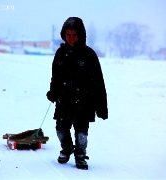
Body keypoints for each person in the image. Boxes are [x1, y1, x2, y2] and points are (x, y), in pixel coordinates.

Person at [46, 17, 108, 170]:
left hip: (84, 100)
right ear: (64, 35)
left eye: (74, 35)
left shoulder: (89, 55)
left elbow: (98, 81)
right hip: (64, 99)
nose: (71, 38)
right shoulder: (60, 53)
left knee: (81, 131)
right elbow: (55, 77)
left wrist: (101, 106)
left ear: (81, 35)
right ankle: (66, 148)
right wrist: (53, 92)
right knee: (61, 128)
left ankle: (80, 154)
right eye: (68, 35)